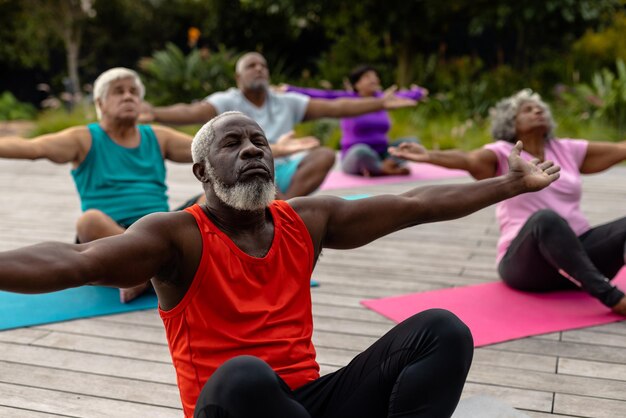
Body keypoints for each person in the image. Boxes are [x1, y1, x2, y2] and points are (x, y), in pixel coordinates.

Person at [0, 111, 562, 417]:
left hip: (308, 403)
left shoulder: (307, 220)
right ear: (201, 174)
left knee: (442, 330)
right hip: (232, 410)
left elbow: (414, 205)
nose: (251, 150)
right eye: (232, 144)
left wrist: (508, 183)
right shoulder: (176, 236)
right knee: (245, 377)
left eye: (259, 141)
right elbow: (77, 261)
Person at [390, 88, 626, 314]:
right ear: (511, 122)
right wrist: (429, 155)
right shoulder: (504, 152)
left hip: (580, 256)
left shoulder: (566, 149)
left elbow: (619, 149)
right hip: (528, 266)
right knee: (545, 219)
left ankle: (590, 280)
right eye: (527, 109)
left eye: (540, 108)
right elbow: (467, 158)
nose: (537, 111)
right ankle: (613, 299)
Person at [0, 67, 196, 303]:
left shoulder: (158, 136)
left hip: (159, 229)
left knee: (205, 201)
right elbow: (32, 148)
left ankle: (139, 273)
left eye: (134, 92)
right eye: (118, 91)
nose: (128, 96)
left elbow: (208, 150)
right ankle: (149, 270)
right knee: (88, 220)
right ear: (100, 103)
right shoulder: (83, 138)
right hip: (110, 236)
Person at [141, 52, 417, 199]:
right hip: (244, 167)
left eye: (263, 65)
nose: (259, 68)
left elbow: (337, 106)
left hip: (285, 170)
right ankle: (277, 206)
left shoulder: (287, 101)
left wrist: (379, 103)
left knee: (322, 155)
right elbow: (190, 111)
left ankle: (281, 209)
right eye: (251, 65)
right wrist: (153, 112)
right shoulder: (227, 100)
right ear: (238, 76)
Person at [284, 65, 428, 176]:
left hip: (383, 153)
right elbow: (321, 94)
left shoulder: (384, 99)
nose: (374, 79)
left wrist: (419, 92)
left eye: (375, 76)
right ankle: (383, 168)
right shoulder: (349, 99)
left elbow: (405, 95)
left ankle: (385, 165)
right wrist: (289, 89)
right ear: (357, 84)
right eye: (367, 76)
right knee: (361, 151)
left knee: (412, 142)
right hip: (355, 156)